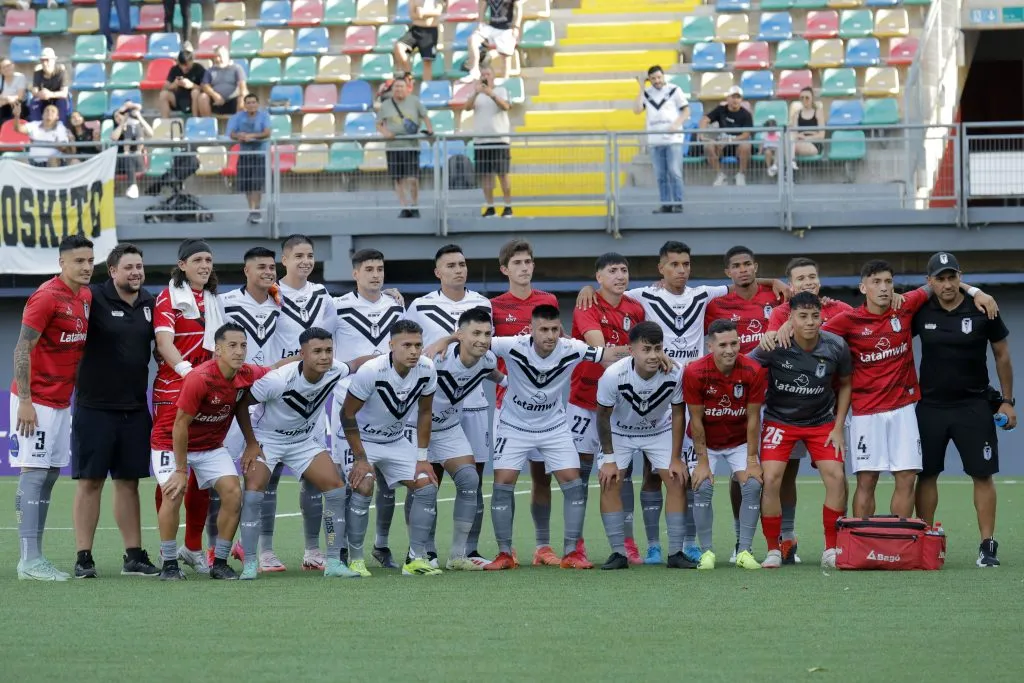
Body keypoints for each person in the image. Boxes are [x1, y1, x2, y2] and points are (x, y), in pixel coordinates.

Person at [576, 241, 785, 563]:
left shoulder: (703, 293)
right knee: (648, 475)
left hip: (695, 389)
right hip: (659, 384)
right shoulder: (643, 296)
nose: (681, 270)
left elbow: (742, 280)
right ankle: (647, 546)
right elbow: (612, 292)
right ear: (661, 268)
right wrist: (588, 287)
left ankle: (687, 543)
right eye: (674, 264)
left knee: (682, 474)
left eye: (686, 264)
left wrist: (775, 283)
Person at [819, 260, 995, 518]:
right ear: (863, 287)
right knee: (867, 481)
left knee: (907, 478)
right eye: (876, 282)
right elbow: (810, 335)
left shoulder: (906, 306)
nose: (883, 288)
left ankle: (897, 545)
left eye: (888, 282)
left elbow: (936, 284)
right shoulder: (847, 320)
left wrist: (975, 292)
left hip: (904, 410)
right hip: (866, 413)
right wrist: (787, 325)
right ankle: (860, 541)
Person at [484, 304, 615, 570]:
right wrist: (447, 340)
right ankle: (505, 553)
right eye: (543, 329)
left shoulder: (572, 348)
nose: (550, 335)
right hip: (514, 426)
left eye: (555, 329)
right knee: (503, 482)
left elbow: (609, 355)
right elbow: (475, 344)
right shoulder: (511, 344)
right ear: (531, 329)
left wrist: (648, 354)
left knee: (573, 482)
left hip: (553, 427)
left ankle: (571, 554)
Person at [235, 327, 370, 579]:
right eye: (317, 351)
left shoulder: (335, 370)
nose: (324, 356)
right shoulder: (277, 379)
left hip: (303, 441)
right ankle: (251, 563)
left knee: (336, 488)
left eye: (329, 350)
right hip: (268, 439)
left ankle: (333, 563)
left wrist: (388, 356)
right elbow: (242, 404)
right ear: (302, 354)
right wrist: (252, 443)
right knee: (253, 493)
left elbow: (355, 363)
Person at [913, 252, 1015, 567]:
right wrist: (974, 287)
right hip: (930, 406)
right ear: (929, 282)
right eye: (940, 279)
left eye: (952, 277)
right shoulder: (920, 309)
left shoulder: (985, 308)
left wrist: (1008, 402)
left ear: (960, 276)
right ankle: (926, 540)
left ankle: (987, 545)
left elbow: (1002, 356)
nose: (947, 284)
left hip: (973, 405)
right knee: (927, 474)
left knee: (982, 474)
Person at [155, 323, 271, 581]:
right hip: (169, 442)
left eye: (243, 345)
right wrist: (181, 470)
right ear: (217, 349)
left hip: (210, 446)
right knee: (173, 493)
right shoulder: (199, 378)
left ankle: (219, 562)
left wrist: (305, 358)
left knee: (233, 493)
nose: (239, 351)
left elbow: (275, 369)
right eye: (232, 345)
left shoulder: (245, 373)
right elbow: (180, 425)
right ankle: (169, 563)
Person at [71, 244, 160, 579]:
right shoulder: (91, 297)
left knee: (128, 482)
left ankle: (133, 556)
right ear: (112, 271)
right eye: (129, 267)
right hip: (94, 407)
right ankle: (84, 558)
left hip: (136, 408)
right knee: (90, 482)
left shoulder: (150, 302)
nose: (136, 272)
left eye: (140, 266)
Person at [11, 235, 94, 581]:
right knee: (33, 473)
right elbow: (20, 349)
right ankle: (28, 561)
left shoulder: (86, 296)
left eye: (90, 261)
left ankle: (37, 557)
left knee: (50, 474)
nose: (87, 267)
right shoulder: (46, 298)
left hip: (61, 401)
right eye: (79, 261)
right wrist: (26, 402)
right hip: (36, 401)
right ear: (62, 263)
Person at [749, 292, 852, 569]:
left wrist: (839, 427)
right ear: (790, 318)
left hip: (821, 422)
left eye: (815, 316)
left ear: (822, 317)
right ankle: (773, 549)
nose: (809, 322)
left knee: (836, 476)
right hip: (780, 421)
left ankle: (831, 548)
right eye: (802, 316)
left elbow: (846, 385)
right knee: (771, 479)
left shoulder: (836, 346)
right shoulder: (773, 344)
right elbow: (744, 367)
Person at [406, 244, 493, 567]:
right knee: (426, 480)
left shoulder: (482, 303)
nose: (459, 269)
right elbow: (411, 344)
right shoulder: (421, 305)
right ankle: (421, 551)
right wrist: (444, 341)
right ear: (438, 272)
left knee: (472, 479)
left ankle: (465, 551)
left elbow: (484, 344)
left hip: (472, 404)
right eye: (451, 265)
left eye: (463, 264)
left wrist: (451, 339)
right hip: (428, 405)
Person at [341, 319, 442, 577]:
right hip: (362, 441)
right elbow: (347, 415)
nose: (413, 351)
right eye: (406, 345)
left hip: (396, 440)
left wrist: (422, 458)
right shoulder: (371, 370)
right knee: (364, 484)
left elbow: (425, 413)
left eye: (418, 345)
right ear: (391, 346)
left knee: (427, 485)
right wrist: (361, 459)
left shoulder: (427, 368)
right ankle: (355, 560)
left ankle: (415, 560)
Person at [331, 248, 406, 573]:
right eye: (369, 269)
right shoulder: (336, 307)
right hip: (348, 405)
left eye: (380, 268)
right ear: (355, 273)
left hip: (389, 405)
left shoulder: (397, 305)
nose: (376, 274)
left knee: (388, 483)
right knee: (352, 479)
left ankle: (382, 544)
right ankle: (345, 548)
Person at [704, 245, 780, 563]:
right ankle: (739, 540)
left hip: (775, 393)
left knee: (777, 474)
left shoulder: (775, 297)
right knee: (742, 472)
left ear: (755, 266)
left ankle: (784, 540)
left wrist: (775, 282)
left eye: (748, 264)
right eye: (736, 265)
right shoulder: (717, 305)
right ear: (728, 272)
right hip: (733, 397)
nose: (743, 269)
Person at [152, 239, 222, 575]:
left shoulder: (214, 300)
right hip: (173, 395)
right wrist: (188, 373)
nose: (205, 265)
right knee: (172, 482)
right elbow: (164, 343)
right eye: (198, 260)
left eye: (209, 260)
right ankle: (167, 555)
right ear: (182, 265)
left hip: (207, 398)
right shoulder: (168, 298)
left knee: (201, 480)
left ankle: (192, 548)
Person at [596, 322, 691, 570]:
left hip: (658, 431)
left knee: (677, 479)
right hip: (619, 432)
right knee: (609, 481)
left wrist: (676, 457)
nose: (653, 355)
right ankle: (618, 553)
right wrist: (609, 459)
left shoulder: (675, 372)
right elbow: (602, 417)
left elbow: (679, 413)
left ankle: (675, 553)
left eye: (658, 349)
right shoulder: (613, 375)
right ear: (631, 350)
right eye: (646, 349)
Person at [568, 253, 643, 563]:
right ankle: (576, 544)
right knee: (580, 474)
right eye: (612, 271)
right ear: (598, 277)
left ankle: (627, 543)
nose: (620, 275)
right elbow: (603, 352)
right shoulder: (586, 305)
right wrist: (634, 350)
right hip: (585, 402)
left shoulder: (636, 307)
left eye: (624, 270)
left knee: (622, 474)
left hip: (621, 406)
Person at [489, 239, 560, 566]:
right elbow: (485, 352)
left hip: (545, 409)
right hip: (509, 408)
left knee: (542, 477)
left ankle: (543, 546)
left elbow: (559, 344)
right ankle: (506, 549)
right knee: (505, 479)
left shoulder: (548, 301)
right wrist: (502, 381)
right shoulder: (494, 306)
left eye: (528, 262)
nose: (524, 267)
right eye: (517, 263)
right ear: (505, 269)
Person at [416, 308, 504, 570]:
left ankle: (457, 556)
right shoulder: (436, 359)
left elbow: (497, 377)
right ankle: (423, 553)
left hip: (449, 429)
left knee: (469, 480)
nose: (482, 339)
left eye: (487, 334)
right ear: (460, 334)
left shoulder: (488, 360)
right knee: (424, 487)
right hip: (417, 429)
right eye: (475, 333)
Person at [218, 247, 286, 571]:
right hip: (233, 398)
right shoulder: (225, 302)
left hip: (269, 399)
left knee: (266, 479)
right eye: (261, 267)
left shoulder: (282, 302)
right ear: (246, 270)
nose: (268, 272)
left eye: (272, 267)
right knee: (222, 479)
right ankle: (213, 550)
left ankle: (264, 550)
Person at [276, 234, 339, 571]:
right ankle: (264, 550)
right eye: (298, 255)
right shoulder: (271, 293)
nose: (305, 260)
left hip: (311, 399)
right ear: (283, 259)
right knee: (265, 477)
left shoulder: (322, 294)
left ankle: (313, 550)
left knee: (312, 477)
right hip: (276, 396)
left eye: (310, 255)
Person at [683, 319, 766, 570]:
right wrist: (703, 463)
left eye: (734, 343)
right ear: (710, 346)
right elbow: (695, 420)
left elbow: (754, 418)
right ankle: (707, 552)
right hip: (704, 442)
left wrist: (752, 461)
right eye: (723, 345)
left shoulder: (753, 370)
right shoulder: (695, 372)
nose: (730, 350)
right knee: (702, 486)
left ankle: (744, 551)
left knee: (752, 485)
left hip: (739, 440)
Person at [633, 65, 688, 214]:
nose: (657, 80)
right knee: (660, 175)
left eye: (659, 77)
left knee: (675, 171)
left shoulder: (674, 90)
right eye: (653, 78)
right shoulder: (647, 93)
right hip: (655, 141)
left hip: (673, 139)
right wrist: (641, 87)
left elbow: (686, 111)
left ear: (663, 76)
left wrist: (676, 124)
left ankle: (678, 203)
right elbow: (637, 110)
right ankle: (666, 204)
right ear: (649, 80)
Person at [376, 77, 432, 217]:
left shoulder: (414, 101)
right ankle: (404, 207)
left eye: (401, 86)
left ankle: (415, 204)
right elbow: (378, 123)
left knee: (412, 178)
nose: (398, 89)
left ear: (407, 88)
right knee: (398, 178)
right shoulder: (386, 104)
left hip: (411, 146)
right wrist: (386, 132)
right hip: (393, 146)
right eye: (396, 87)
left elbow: (425, 116)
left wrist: (429, 129)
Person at [466, 65, 513, 217]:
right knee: (486, 175)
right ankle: (490, 206)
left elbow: (506, 106)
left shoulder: (501, 91)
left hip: (499, 139)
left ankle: (507, 206)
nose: (485, 76)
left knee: (502, 174)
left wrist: (490, 94)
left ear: (493, 76)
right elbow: (467, 107)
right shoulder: (477, 94)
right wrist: (476, 92)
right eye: (483, 74)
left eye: (488, 73)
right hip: (481, 141)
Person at [226, 94, 272, 224]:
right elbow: (231, 133)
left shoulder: (264, 116)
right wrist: (239, 136)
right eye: (248, 103)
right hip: (245, 154)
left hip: (259, 154)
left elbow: (267, 132)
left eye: (253, 102)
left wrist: (252, 136)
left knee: (256, 184)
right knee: (247, 185)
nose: (251, 105)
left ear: (257, 104)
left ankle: (256, 211)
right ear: (245, 105)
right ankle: (251, 210)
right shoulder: (238, 117)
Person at [699, 85, 753, 187]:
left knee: (746, 146)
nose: (735, 100)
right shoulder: (720, 109)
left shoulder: (746, 114)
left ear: (741, 99)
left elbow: (746, 134)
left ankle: (741, 175)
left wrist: (729, 140)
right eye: (733, 97)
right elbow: (705, 120)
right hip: (722, 145)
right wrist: (701, 134)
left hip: (737, 144)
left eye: (738, 97)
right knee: (708, 146)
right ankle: (720, 175)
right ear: (727, 98)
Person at [462, 0, 524, 82]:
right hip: (491, 27)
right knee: (472, 39)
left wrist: (516, 27)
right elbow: (482, 5)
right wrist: (480, 23)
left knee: (505, 56)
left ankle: (504, 81)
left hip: (506, 28)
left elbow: (518, 7)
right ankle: (474, 71)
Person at [110, 101, 154, 199]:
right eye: (116, 117)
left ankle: (133, 186)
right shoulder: (118, 129)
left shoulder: (136, 125)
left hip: (138, 161)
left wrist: (139, 117)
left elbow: (151, 133)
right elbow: (114, 138)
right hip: (120, 164)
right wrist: (122, 123)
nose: (118, 118)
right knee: (126, 155)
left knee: (129, 156)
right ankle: (132, 186)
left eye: (120, 116)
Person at [394, 0, 443, 83]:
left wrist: (423, 13)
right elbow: (412, 15)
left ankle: (427, 86)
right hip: (416, 30)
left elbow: (438, 12)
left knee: (427, 62)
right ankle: (408, 75)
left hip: (430, 31)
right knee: (399, 47)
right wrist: (426, 14)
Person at [12, 102, 70, 167]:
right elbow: (18, 129)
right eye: (47, 110)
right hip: (33, 162)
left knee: (53, 159)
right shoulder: (34, 124)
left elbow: (64, 148)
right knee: (12, 161)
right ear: (42, 115)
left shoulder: (60, 127)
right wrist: (16, 116)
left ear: (57, 117)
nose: (49, 112)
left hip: (52, 163)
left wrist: (58, 145)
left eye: (53, 111)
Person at [198, 46, 246, 117]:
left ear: (227, 57)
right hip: (216, 102)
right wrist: (215, 95)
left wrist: (242, 95)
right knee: (202, 97)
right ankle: (207, 125)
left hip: (232, 102)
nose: (217, 59)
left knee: (242, 98)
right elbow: (205, 86)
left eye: (220, 56)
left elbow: (242, 85)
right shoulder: (210, 70)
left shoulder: (236, 68)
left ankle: (239, 125)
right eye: (215, 57)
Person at [160, 48, 205, 120]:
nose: (184, 68)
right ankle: (165, 122)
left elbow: (206, 88)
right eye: (182, 65)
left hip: (193, 101)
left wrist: (192, 85)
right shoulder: (174, 69)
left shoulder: (199, 68)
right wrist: (173, 85)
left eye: (186, 65)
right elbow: (165, 87)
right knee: (163, 94)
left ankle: (194, 120)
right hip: (178, 99)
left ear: (191, 61)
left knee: (195, 92)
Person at [29, 48, 70, 123]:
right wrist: (40, 94)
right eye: (42, 60)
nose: (44, 63)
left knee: (62, 102)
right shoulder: (38, 73)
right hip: (43, 98)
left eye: (47, 60)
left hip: (57, 97)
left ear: (54, 60)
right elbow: (35, 91)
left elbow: (64, 93)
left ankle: (61, 128)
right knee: (34, 102)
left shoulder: (61, 72)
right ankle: (36, 128)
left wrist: (50, 94)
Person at [788, 87, 825, 167]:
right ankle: (791, 166)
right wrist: (799, 136)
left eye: (807, 98)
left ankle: (789, 166)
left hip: (814, 144)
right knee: (788, 141)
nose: (804, 100)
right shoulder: (797, 114)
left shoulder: (818, 112)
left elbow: (821, 135)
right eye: (802, 98)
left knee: (788, 145)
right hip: (799, 142)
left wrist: (806, 138)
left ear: (812, 99)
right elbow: (795, 133)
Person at [0, 58, 28, 125]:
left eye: (8, 66)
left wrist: (4, 99)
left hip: (17, 105)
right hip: (3, 106)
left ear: (13, 65)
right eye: (3, 67)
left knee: (6, 121)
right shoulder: (0, 79)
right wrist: (8, 99)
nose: (6, 69)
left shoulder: (20, 77)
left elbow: (19, 97)